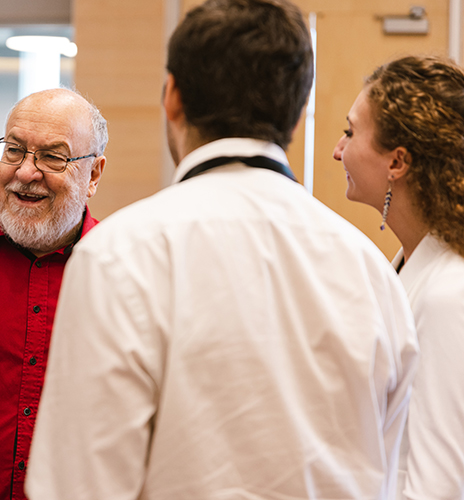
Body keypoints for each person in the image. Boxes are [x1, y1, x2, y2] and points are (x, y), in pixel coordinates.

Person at [25, 1, 420, 498]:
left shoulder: (119, 255)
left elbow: (77, 485)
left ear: (172, 98)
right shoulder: (372, 272)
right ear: (297, 112)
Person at [0, 87, 107, 500]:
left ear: (93, 175)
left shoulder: (122, 268)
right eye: (14, 150)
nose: (26, 172)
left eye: (53, 156)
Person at [333, 55, 464, 499]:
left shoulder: (450, 293)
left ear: (398, 162)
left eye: (351, 133)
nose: (338, 149)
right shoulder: (410, 262)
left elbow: (441, 484)